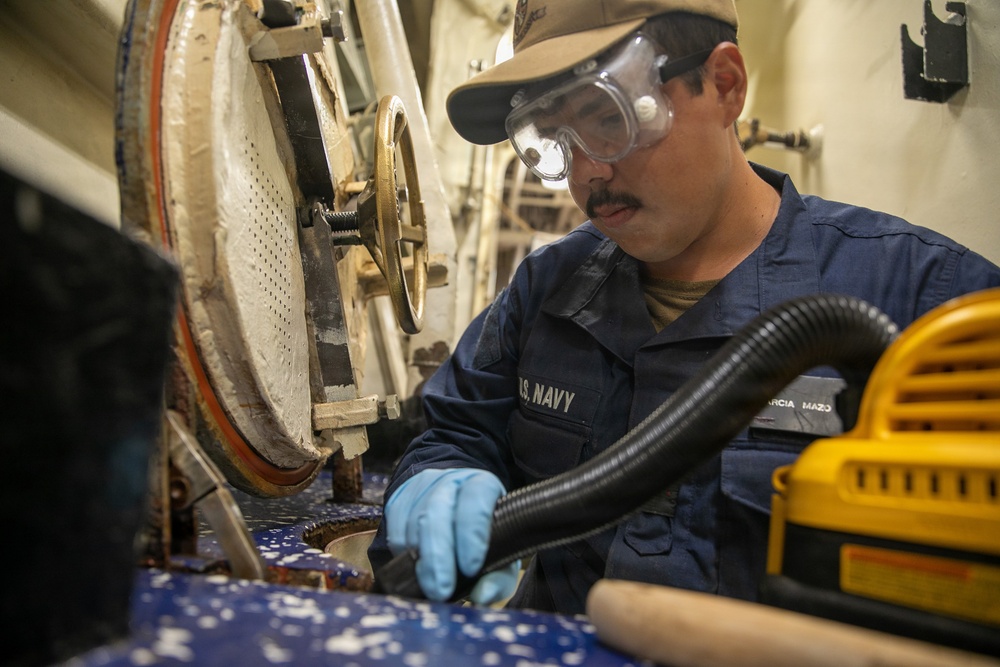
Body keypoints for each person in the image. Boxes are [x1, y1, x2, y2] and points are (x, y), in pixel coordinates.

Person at [367, 0, 1000, 615]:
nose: (586, 172)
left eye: (607, 117)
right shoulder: (546, 290)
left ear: (724, 85)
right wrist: (438, 480)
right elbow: (456, 433)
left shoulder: (926, 300)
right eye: (554, 137)